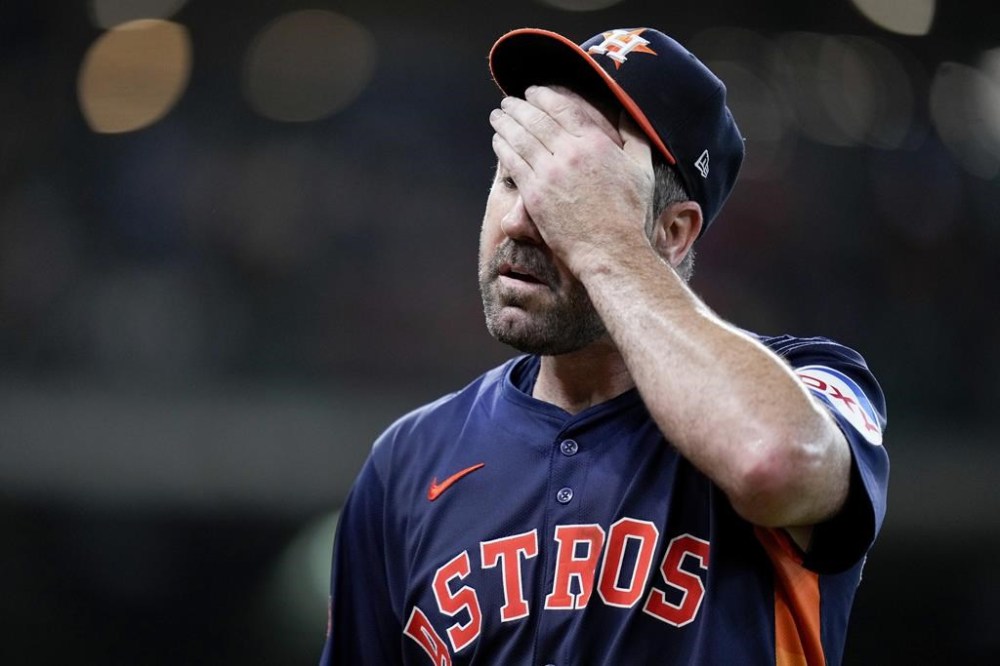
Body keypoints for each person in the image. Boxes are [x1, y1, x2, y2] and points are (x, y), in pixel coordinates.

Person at [319, 26, 888, 666]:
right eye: (513, 180)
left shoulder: (808, 382)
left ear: (673, 233)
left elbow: (771, 463)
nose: (518, 221)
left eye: (572, 195)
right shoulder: (406, 464)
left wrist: (602, 246)